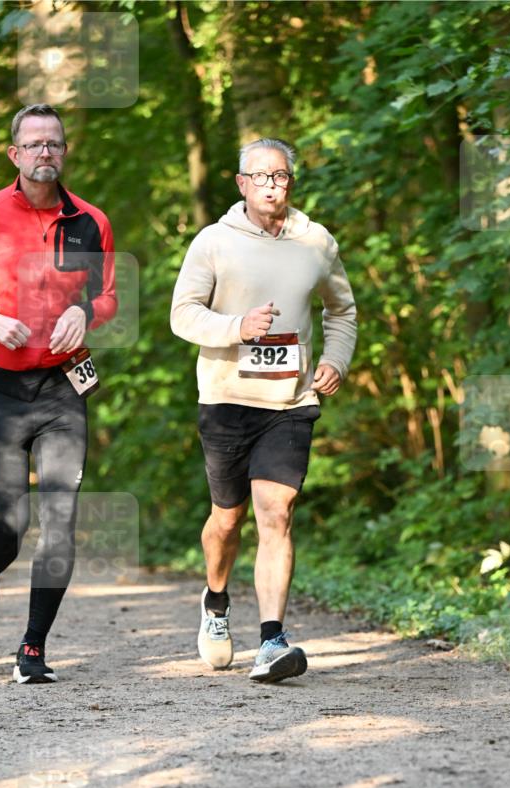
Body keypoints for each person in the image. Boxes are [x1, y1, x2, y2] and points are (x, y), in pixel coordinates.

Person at [171, 138, 357, 683]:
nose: (273, 185)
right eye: (262, 177)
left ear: (291, 183)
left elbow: (341, 310)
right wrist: (237, 328)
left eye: (281, 177)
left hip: (291, 402)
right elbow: (182, 315)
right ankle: (216, 601)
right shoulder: (213, 242)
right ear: (241, 183)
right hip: (227, 399)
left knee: (276, 513)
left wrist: (336, 362)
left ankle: (272, 640)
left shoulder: (316, 242)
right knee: (227, 521)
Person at [0, 104, 117, 683]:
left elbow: (110, 295)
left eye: (55, 143)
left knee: (60, 519)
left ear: (65, 153)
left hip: (63, 387)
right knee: (5, 528)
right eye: (35, 143)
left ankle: (33, 649)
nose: (46, 151)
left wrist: (83, 312)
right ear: (14, 154)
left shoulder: (90, 221)